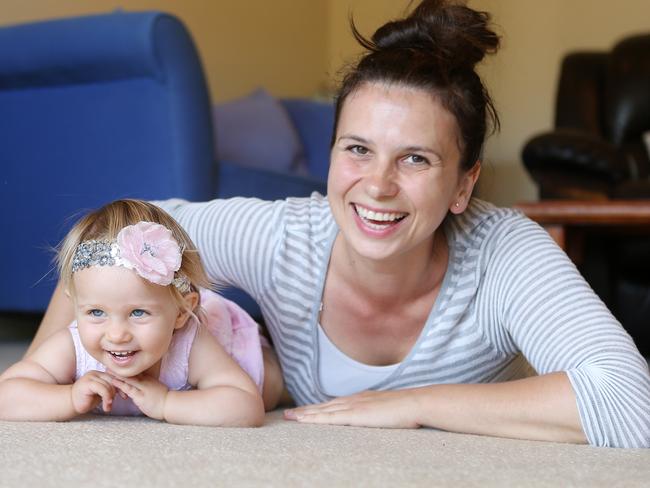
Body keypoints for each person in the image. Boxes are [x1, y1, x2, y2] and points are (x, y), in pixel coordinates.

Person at [27, 0, 650, 447]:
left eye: (416, 158)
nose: (376, 186)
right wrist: (46, 369)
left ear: (464, 183)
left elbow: (632, 405)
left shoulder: (505, 251)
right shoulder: (284, 238)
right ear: (331, 157)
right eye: (357, 149)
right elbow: (112, 242)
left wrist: (413, 405)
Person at [0, 199, 269, 426]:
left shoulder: (190, 341)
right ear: (75, 305)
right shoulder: (72, 346)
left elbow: (246, 406)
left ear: (181, 313)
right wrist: (69, 397)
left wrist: (167, 403)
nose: (116, 334)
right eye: (96, 312)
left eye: (138, 313)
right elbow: (6, 395)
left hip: (233, 342)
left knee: (273, 387)